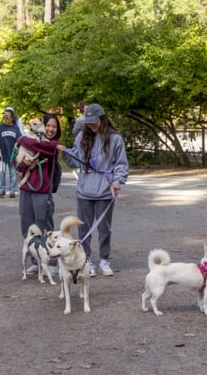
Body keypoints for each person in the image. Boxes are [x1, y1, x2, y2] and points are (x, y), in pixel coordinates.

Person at [57, 103, 129, 277]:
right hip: (85, 189)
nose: (91, 125)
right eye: (88, 122)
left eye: (94, 122)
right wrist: (66, 153)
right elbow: (76, 160)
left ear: (102, 119)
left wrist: (117, 181)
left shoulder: (115, 138)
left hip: (105, 189)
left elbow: (121, 164)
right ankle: (86, 259)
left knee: (104, 228)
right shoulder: (82, 136)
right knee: (84, 228)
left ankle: (104, 259)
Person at [16, 113, 62, 247]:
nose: (51, 129)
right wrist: (24, 164)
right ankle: (34, 260)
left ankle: (49, 261)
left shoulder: (53, 145)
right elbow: (17, 166)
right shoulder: (32, 140)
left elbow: (39, 147)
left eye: (54, 126)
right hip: (26, 189)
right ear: (43, 126)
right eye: (48, 125)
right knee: (27, 225)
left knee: (44, 225)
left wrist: (21, 139)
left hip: (42, 191)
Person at [0, 107, 22, 198]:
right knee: (2, 172)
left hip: (13, 155)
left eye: (7, 117)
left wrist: (18, 145)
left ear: (12, 118)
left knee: (13, 174)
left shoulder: (15, 128)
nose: (5, 119)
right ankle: (1, 190)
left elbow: (20, 139)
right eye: (4, 117)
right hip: (2, 154)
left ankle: (12, 191)